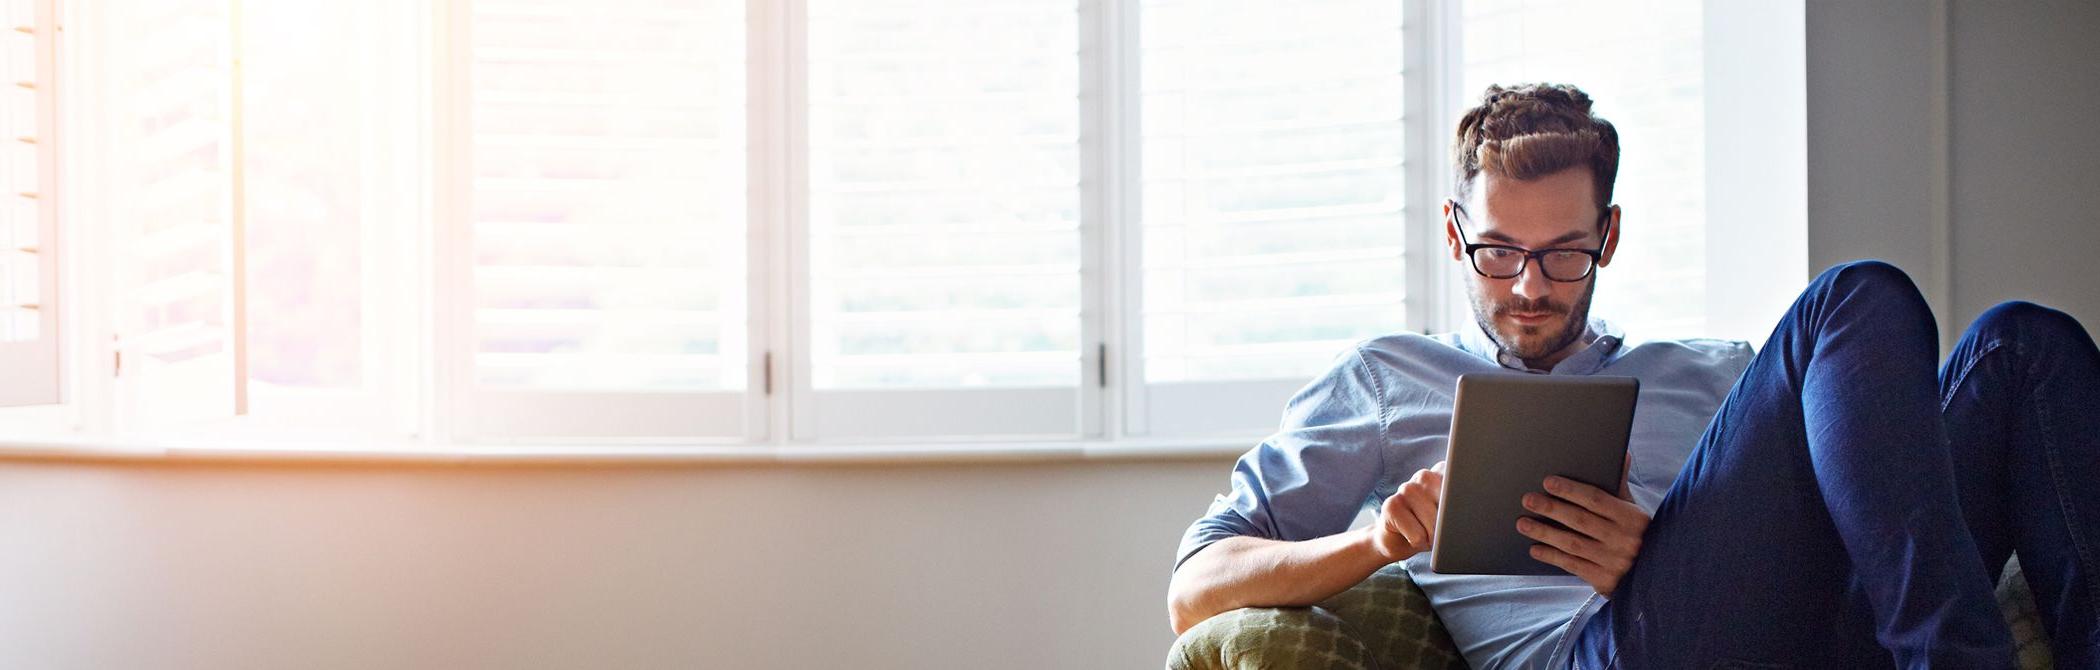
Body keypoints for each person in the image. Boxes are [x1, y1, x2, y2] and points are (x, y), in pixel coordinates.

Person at [1164, 82, 2100, 669]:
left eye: (1565, 253)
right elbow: (1195, 587)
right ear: (1454, 236)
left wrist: (1661, 547)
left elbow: (1876, 505)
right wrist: (1372, 542)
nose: (1529, 287)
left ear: (1609, 237)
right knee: (1851, 295)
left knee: (2024, 345)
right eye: (1496, 252)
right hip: (1609, 653)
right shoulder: (1387, 377)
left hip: (1828, 625)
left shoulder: (1712, 373)